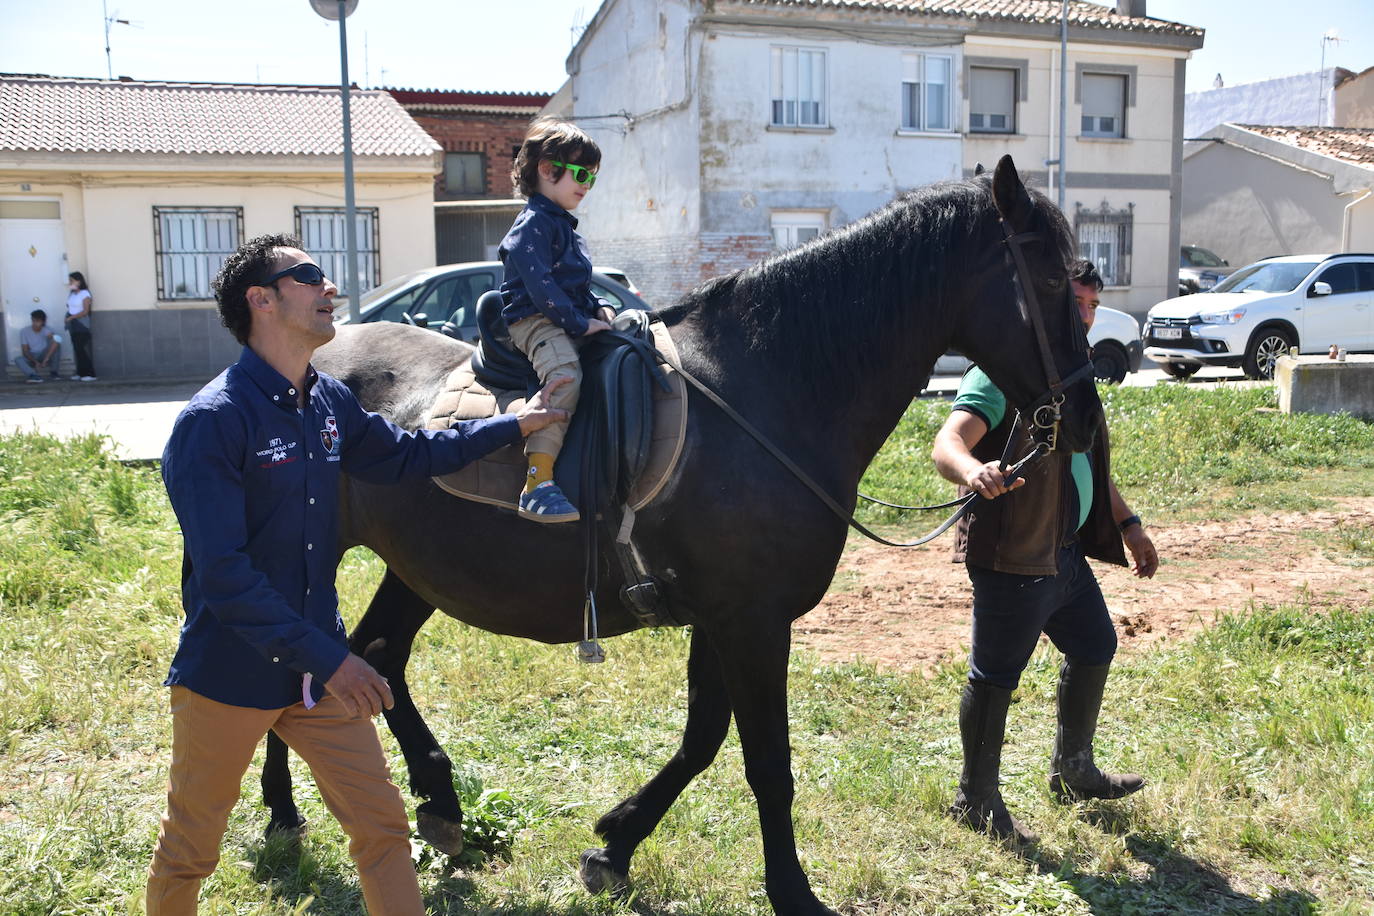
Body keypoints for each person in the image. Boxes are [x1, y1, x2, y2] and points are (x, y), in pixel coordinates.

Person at [145, 234, 569, 916]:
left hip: (316, 680)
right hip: (231, 676)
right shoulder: (212, 423)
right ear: (262, 300)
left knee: (383, 829)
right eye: (308, 275)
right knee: (191, 850)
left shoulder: (324, 402)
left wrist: (512, 428)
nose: (328, 287)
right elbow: (225, 580)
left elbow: (406, 455)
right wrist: (336, 663)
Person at [932, 258, 1160, 845]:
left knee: (1094, 644)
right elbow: (947, 443)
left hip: (1061, 552)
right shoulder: (1004, 370)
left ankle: (1073, 770)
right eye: (1076, 304)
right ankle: (975, 799)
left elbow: (1090, 464)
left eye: (1091, 306)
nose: (1085, 316)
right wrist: (974, 470)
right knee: (995, 678)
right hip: (1013, 557)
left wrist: (1128, 523)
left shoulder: (1072, 373)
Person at [498, 117, 615, 523]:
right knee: (565, 375)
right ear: (548, 171)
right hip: (534, 320)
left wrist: (598, 306)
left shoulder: (565, 227)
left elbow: (576, 283)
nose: (586, 184)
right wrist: (580, 324)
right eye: (582, 174)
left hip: (562, 315)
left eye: (592, 178)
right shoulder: (533, 223)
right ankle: (537, 483)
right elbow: (542, 287)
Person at [14, 308, 60, 383]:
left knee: (57, 344)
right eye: (33, 320)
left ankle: (54, 373)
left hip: (44, 355)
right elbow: (25, 351)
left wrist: (46, 358)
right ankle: (34, 376)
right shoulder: (24, 331)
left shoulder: (47, 329)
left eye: (38, 321)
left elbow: (58, 340)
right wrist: (35, 362)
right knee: (18, 359)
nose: (35, 323)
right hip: (32, 356)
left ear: (43, 322)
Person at [65, 271, 96, 381]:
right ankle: (80, 372)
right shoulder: (72, 294)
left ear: (79, 281)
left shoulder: (85, 294)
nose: (70, 283)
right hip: (73, 324)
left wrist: (72, 317)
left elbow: (85, 311)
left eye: (72, 281)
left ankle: (90, 374)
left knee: (81, 349)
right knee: (77, 349)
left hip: (81, 324)